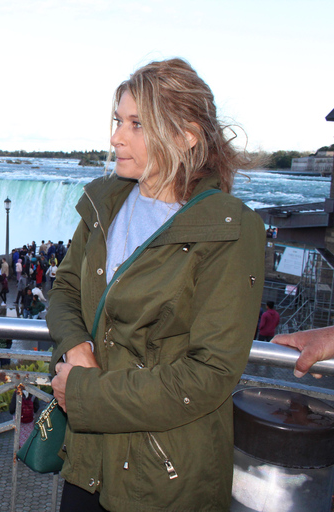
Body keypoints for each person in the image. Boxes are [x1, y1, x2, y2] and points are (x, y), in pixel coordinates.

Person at [47, 58, 265, 511]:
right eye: (117, 120)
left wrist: (85, 392)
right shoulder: (104, 203)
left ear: (187, 135)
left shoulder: (229, 228)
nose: (115, 137)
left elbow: (210, 374)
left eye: (137, 124)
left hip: (165, 475)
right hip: (89, 462)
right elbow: (65, 289)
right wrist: (77, 347)